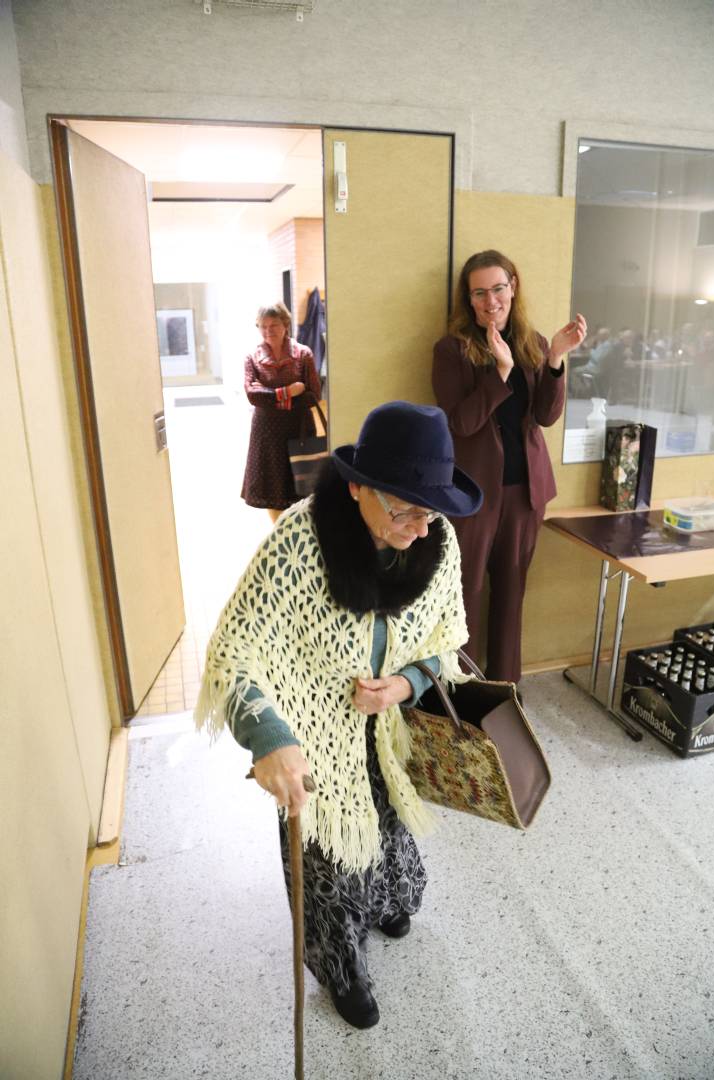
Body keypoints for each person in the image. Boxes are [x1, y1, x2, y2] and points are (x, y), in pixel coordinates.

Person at [195, 401, 482, 1029]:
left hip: (388, 731)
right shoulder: (300, 541)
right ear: (357, 487)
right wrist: (268, 737)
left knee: (386, 828)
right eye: (401, 508)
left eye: (427, 510)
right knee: (326, 859)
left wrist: (403, 686)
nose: (417, 527)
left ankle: (386, 903)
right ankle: (342, 966)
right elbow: (233, 651)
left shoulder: (436, 540)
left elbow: (446, 642)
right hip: (313, 735)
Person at [432, 249, 587, 683]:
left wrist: (555, 358)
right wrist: (500, 372)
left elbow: (545, 416)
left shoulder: (532, 343)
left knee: (511, 596)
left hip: (524, 494)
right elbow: (461, 423)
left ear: (513, 287)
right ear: (469, 299)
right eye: (479, 293)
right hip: (472, 495)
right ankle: (458, 692)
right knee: (464, 597)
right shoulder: (452, 350)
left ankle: (503, 692)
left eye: (498, 288)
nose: (490, 300)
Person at [241, 301, 321, 522]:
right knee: (272, 488)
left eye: (274, 325)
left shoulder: (303, 354)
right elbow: (253, 395)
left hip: (299, 428)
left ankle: (302, 531)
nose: (268, 331)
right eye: (262, 326)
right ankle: (278, 532)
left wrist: (272, 397)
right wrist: (289, 391)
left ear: (285, 324)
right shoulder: (252, 357)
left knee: (301, 485)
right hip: (266, 433)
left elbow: (314, 395)